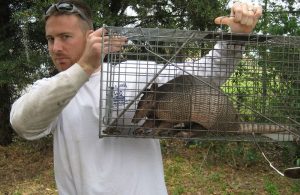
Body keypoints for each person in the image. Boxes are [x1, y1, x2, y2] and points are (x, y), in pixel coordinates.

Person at [10, 0, 262, 194]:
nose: (56, 48)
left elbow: (208, 75)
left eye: (65, 37)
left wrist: (236, 36)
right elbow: (24, 124)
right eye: (50, 39)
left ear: (90, 37)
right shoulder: (50, 88)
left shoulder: (132, 72)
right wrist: (83, 68)